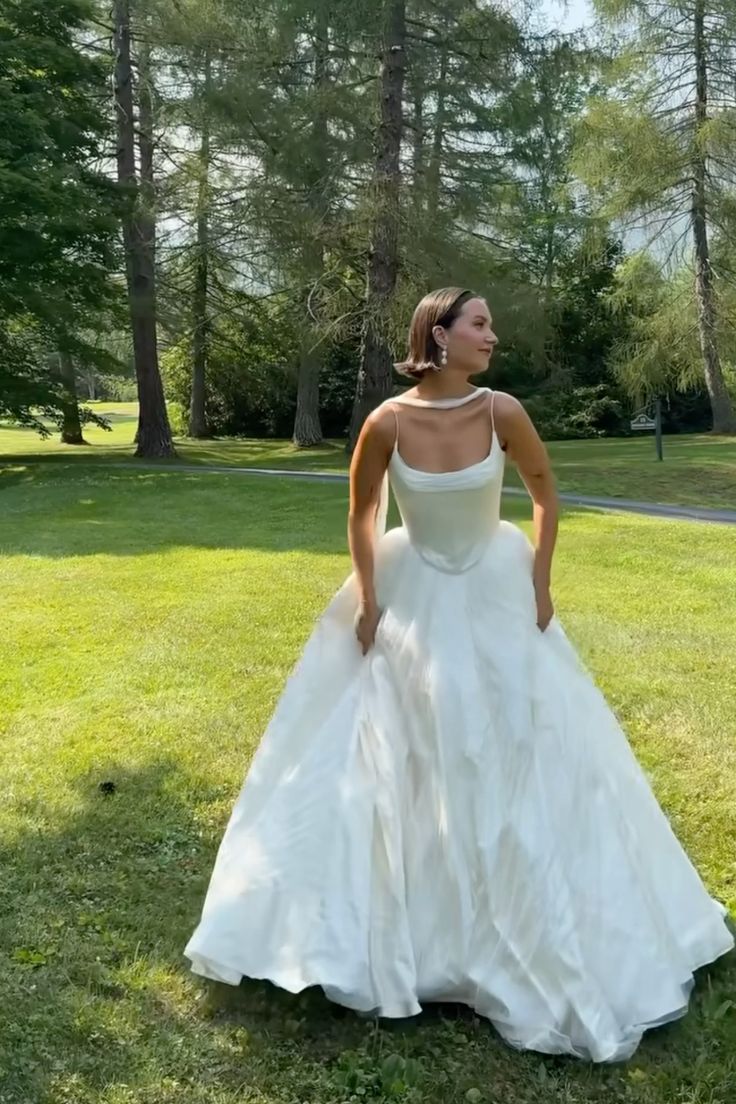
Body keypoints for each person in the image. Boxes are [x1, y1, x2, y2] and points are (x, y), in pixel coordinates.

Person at [184, 286, 733, 1063]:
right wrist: (367, 599)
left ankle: (523, 913)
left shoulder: (502, 411)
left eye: (489, 325)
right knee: (399, 746)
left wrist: (541, 580)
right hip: (413, 590)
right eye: (479, 324)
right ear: (438, 336)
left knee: (516, 743)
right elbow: (361, 513)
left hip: (495, 586)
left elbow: (544, 493)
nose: (492, 335)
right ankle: (413, 928)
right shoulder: (386, 421)